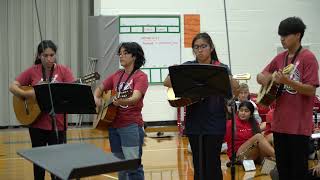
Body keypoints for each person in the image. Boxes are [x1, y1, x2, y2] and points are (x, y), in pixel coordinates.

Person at [163, 32, 239, 180]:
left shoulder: (221, 67)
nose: (200, 50)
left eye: (203, 46)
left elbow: (235, 88)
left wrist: (224, 78)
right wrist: (179, 76)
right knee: (198, 164)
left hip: (215, 122)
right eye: (196, 47)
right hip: (194, 122)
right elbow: (167, 82)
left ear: (211, 48)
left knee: (213, 164)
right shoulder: (188, 67)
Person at [257, 17, 319, 180]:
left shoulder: (308, 57)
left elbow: (311, 90)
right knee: (283, 172)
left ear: (298, 35)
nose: (282, 39)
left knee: (298, 173)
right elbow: (260, 75)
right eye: (280, 35)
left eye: (285, 35)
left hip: (298, 127)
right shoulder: (280, 58)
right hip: (279, 125)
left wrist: (287, 81)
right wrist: (267, 79)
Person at [9, 40, 75, 180]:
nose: (49, 59)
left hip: (57, 124)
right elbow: (13, 86)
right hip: (37, 124)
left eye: (52, 55)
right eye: (45, 55)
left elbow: (73, 93)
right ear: (39, 56)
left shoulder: (64, 71)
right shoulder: (33, 71)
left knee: (57, 163)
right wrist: (27, 94)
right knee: (38, 162)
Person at [94, 42, 148, 180]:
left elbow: (135, 97)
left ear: (134, 56)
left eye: (125, 53)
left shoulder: (140, 76)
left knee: (133, 167)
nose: (121, 56)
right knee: (120, 166)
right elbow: (100, 88)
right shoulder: (117, 74)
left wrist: (122, 101)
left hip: (130, 125)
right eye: (120, 53)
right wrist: (97, 98)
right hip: (113, 125)